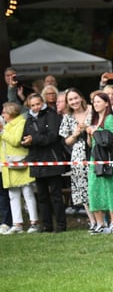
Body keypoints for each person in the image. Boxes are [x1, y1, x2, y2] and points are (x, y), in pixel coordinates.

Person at [21, 93, 67, 232]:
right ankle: (46, 225)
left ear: (42, 102)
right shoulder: (28, 119)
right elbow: (24, 137)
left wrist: (33, 139)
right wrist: (25, 142)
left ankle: (60, 225)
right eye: (32, 105)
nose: (35, 107)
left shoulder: (52, 115)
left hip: (51, 159)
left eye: (37, 104)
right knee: (42, 196)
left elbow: (52, 137)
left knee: (56, 196)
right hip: (36, 160)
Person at [86, 91, 113, 234]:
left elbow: (110, 139)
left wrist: (94, 132)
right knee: (94, 191)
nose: (95, 104)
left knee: (111, 191)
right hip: (95, 159)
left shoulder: (109, 119)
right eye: (94, 101)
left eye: (98, 101)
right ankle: (100, 223)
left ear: (106, 103)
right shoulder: (94, 119)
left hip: (108, 159)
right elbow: (90, 144)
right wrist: (88, 133)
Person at [60, 88, 97, 230]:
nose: (74, 101)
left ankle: (103, 220)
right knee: (83, 190)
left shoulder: (92, 110)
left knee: (96, 186)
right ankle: (92, 221)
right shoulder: (68, 116)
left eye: (76, 98)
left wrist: (88, 129)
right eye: (70, 100)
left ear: (81, 97)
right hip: (78, 155)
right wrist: (75, 134)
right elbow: (66, 141)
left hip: (95, 152)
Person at [0, 102, 39, 234]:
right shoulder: (6, 126)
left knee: (27, 193)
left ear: (10, 113)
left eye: (4, 112)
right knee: (13, 195)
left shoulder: (21, 123)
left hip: (20, 163)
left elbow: (16, 140)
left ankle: (34, 222)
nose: (2, 115)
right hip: (8, 164)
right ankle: (18, 224)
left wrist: (2, 132)